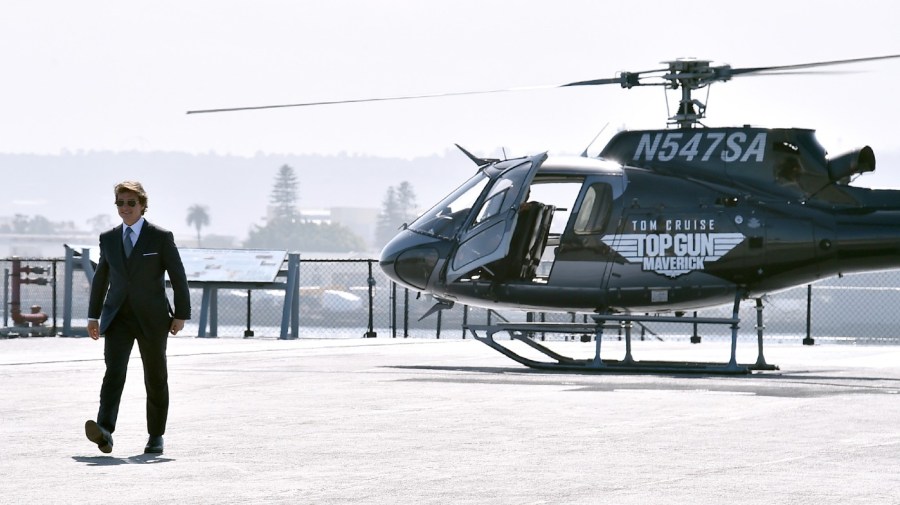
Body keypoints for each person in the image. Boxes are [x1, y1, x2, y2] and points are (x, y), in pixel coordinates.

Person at [84, 181, 191, 455]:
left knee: (155, 377)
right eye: (120, 202)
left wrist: (180, 314)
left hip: (153, 319)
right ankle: (105, 431)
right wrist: (93, 316)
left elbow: (178, 277)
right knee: (113, 374)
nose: (125, 208)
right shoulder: (108, 238)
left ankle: (156, 435)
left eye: (131, 203)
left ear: (143, 205)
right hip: (118, 317)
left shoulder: (160, 236)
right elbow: (101, 279)